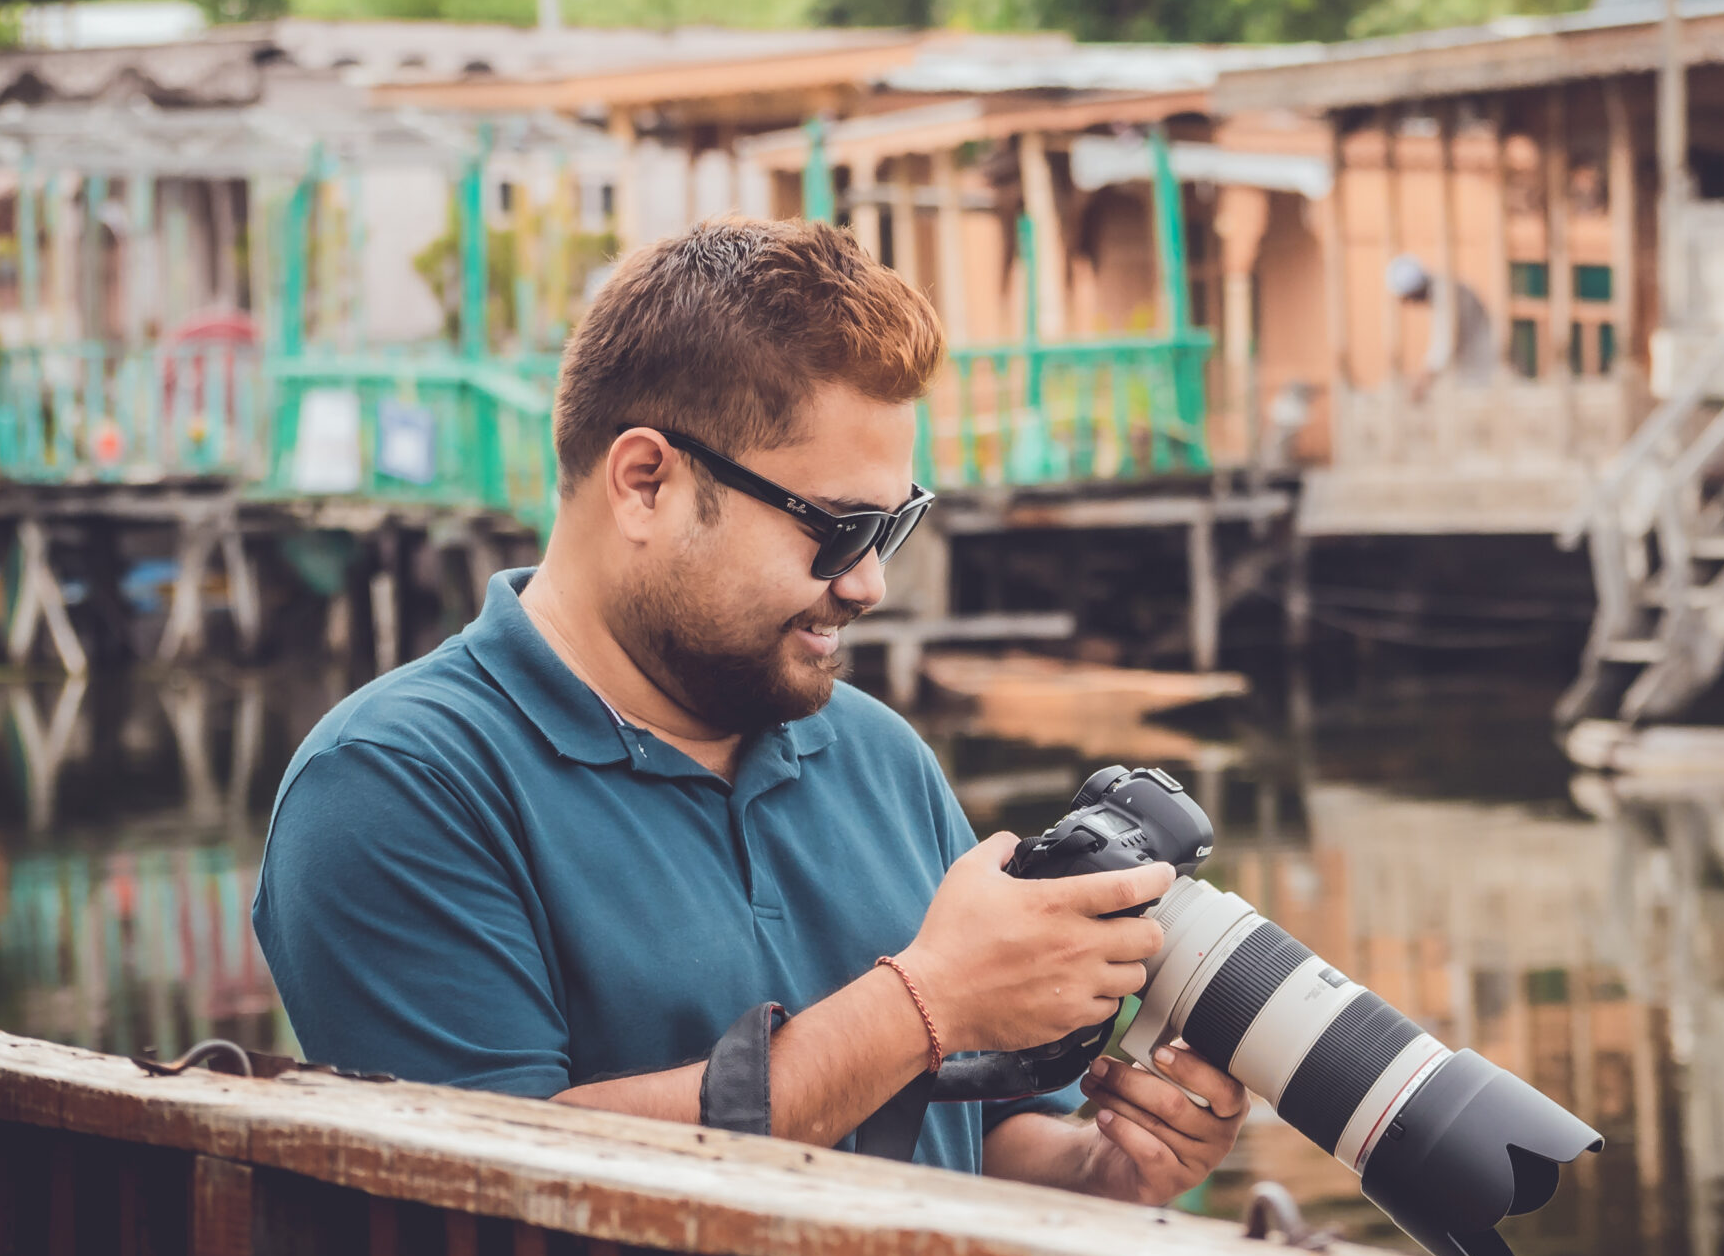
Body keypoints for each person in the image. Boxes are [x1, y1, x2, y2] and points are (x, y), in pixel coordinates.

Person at [253, 219, 1243, 1203]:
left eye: (892, 526)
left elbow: (978, 1130)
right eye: (840, 527)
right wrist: (925, 998)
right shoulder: (391, 783)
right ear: (646, 483)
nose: (868, 585)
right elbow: (491, 1183)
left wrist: (1102, 1166)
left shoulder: (879, 755)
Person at [1385, 254, 1497, 399]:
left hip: (1482, 378)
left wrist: (1423, 380)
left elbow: (1444, 345)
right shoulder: (1446, 289)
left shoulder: (1446, 295)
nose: (1409, 304)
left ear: (1413, 292)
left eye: (1407, 299)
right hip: (1477, 374)